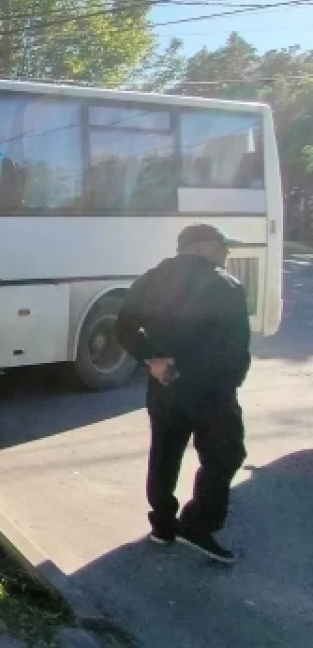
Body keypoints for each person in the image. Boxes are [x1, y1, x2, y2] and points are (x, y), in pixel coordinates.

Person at [115, 224, 251, 564]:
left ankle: (162, 524)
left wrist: (152, 360)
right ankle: (197, 525)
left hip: (165, 385)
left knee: (165, 450)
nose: (226, 253)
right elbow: (235, 350)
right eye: (223, 246)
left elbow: (123, 325)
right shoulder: (226, 286)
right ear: (204, 247)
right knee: (227, 455)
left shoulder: (152, 279)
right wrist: (231, 383)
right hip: (210, 391)